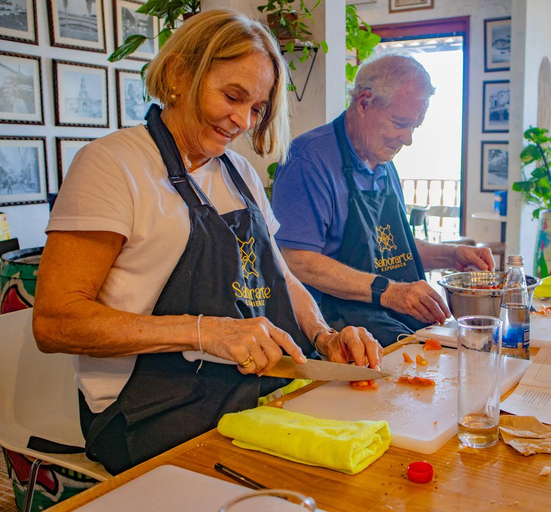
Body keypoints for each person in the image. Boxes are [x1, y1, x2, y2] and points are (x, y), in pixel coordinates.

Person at [32, 9, 381, 475]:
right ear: (180, 74)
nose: (242, 120)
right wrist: (204, 331)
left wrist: (324, 336)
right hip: (151, 415)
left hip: (246, 396)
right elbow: (55, 322)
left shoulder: (238, 173)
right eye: (232, 96)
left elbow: (279, 276)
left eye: (257, 108)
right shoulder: (112, 165)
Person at [271, 53, 495, 347]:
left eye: (414, 127)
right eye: (400, 122)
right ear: (364, 102)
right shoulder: (308, 160)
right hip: (334, 331)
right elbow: (295, 261)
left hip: (388, 319)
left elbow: (388, 248)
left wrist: (451, 256)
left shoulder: (384, 164)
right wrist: (390, 292)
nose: (408, 139)